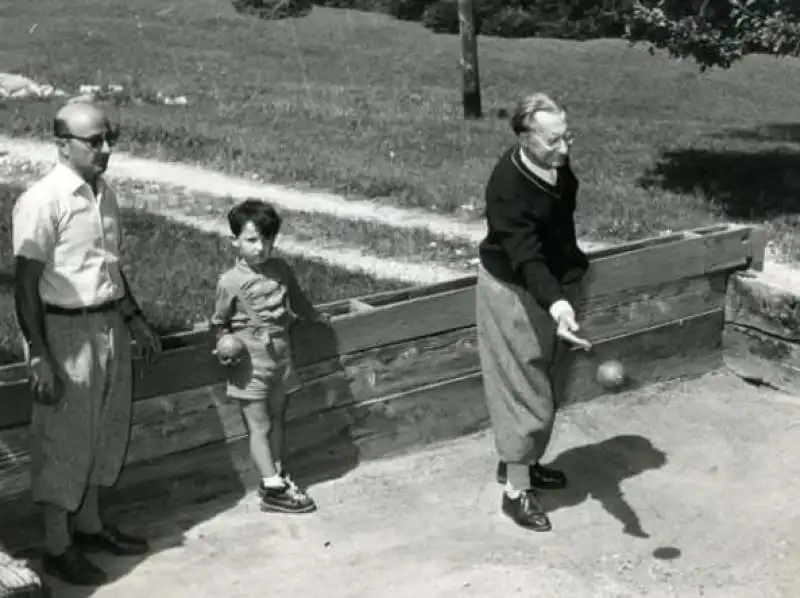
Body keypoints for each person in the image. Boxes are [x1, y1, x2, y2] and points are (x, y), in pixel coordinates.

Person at [12, 100, 162, 585]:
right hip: (63, 330)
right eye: (94, 141)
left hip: (107, 325)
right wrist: (39, 354)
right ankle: (58, 547)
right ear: (62, 145)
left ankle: (91, 526)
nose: (106, 149)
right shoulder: (43, 200)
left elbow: (111, 266)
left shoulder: (104, 196)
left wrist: (134, 318)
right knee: (64, 440)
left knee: (104, 428)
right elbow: (25, 284)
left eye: (108, 138)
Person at [476, 93, 593, 532]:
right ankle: (516, 489)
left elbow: (559, 230)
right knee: (522, 391)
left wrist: (566, 289)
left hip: (554, 286)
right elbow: (526, 257)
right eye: (552, 142)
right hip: (513, 290)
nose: (563, 150)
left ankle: (526, 461)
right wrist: (557, 302)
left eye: (567, 138)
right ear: (524, 138)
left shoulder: (557, 165)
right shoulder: (506, 186)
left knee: (549, 381)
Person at [210, 198, 329, 514]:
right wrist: (224, 343)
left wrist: (314, 317)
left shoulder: (280, 270)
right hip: (249, 360)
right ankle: (274, 487)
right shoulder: (230, 281)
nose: (260, 247)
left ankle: (275, 475)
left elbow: (299, 302)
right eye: (251, 240)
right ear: (234, 241)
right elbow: (219, 322)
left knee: (278, 417)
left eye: (267, 240)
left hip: (280, 353)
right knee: (259, 424)